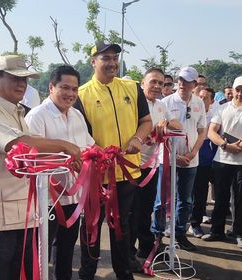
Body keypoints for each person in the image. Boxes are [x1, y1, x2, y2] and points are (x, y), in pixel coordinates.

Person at [0, 55, 81, 280]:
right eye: (15, 78)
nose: (22, 84)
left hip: (21, 215)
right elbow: (19, 144)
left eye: (25, 80)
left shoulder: (15, 112)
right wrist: (65, 147)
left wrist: (80, 156)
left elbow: (35, 147)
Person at [74, 42, 152, 280]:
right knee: (92, 226)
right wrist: (100, 153)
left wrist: (138, 138)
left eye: (115, 57)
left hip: (127, 173)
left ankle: (123, 272)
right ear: (93, 61)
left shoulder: (132, 87)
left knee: (123, 226)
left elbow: (146, 121)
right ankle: (87, 273)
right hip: (96, 174)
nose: (111, 62)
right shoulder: (81, 94)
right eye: (105, 57)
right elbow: (81, 135)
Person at [25, 65, 94, 280]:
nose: (71, 94)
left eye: (75, 89)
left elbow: (88, 147)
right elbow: (31, 157)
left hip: (73, 197)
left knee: (66, 249)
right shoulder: (37, 116)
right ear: (51, 87)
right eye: (65, 87)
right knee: (41, 251)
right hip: (47, 199)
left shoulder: (77, 116)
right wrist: (66, 159)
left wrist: (104, 154)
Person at [202, 76, 242, 249]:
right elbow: (211, 132)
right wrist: (226, 146)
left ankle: (240, 234)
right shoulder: (222, 108)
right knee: (220, 197)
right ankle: (216, 231)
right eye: (238, 90)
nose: (240, 93)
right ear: (233, 90)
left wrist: (237, 148)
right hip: (222, 160)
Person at [130, 68, 182, 259]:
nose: (157, 86)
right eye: (153, 82)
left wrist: (165, 124)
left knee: (145, 210)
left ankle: (146, 247)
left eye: (161, 83)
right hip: (131, 167)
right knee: (131, 212)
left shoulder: (161, 105)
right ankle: (128, 252)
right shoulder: (133, 103)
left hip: (151, 168)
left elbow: (178, 125)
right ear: (142, 83)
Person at [153, 66, 206, 252]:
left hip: (190, 160)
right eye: (181, 80)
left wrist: (192, 153)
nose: (182, 84)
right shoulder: (165, 102)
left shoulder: (199, 103)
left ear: (194, 84)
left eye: (187, 81)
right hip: (167, 159)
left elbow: (202, 131)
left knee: (185, 200)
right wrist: (174, 156)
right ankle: (157, 236)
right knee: (162, 199)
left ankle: (180, 234)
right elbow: (159, 133)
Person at [189, 87, 218, 238]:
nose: (201, 100)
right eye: (199, 96)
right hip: (187, 156)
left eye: (205, 98)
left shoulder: (215, 116)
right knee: (183, 194)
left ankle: (195, 224)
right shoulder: (190, 112)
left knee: (200, 194)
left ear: (211, 101)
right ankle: (178, 224)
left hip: (205, 159)